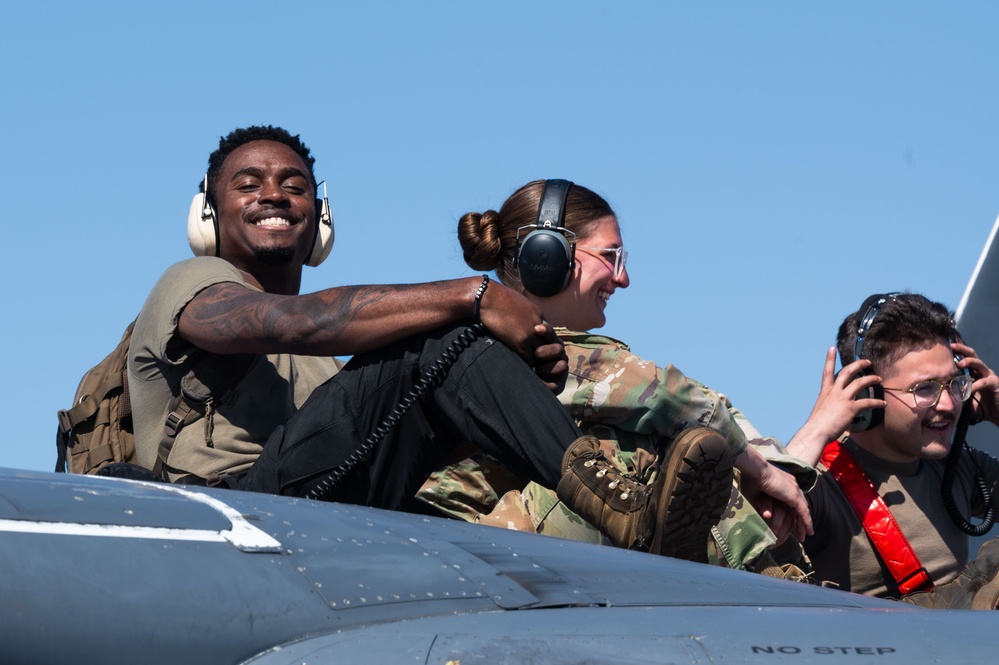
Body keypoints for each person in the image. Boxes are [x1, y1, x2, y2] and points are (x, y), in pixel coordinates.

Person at [126, 125, 736, 559]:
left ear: (320, 216)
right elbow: (292, 322)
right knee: (443, 334)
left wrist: (509, 382)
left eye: (294, 185)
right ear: (206, 213)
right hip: (221, 516)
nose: (274, 196)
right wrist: (474, 296)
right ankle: (621, 511)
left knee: (451, 353)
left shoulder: (328, 380)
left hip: (324, 514)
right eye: (248, 183)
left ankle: (636, 515)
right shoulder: (193, 284)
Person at [416, 179, 815, 569]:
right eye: (611, 257)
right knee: (629, 449)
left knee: (686, 449)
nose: (623, 279)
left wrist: (762, 474)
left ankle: (760, 569)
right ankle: (762, 571)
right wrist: (764, 474)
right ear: (549, 257)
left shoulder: (550, 346)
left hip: (485, 542)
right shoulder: (517, 347)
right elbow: (673, 398)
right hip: (457, 548)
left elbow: (704, 404)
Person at [787, 292, 999, 606]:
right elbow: (740, 540)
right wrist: (817, 429)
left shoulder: (955, 464)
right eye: (924, 388)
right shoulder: (822, 480)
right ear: (866, 391)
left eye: (954, 383)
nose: (948, 404)